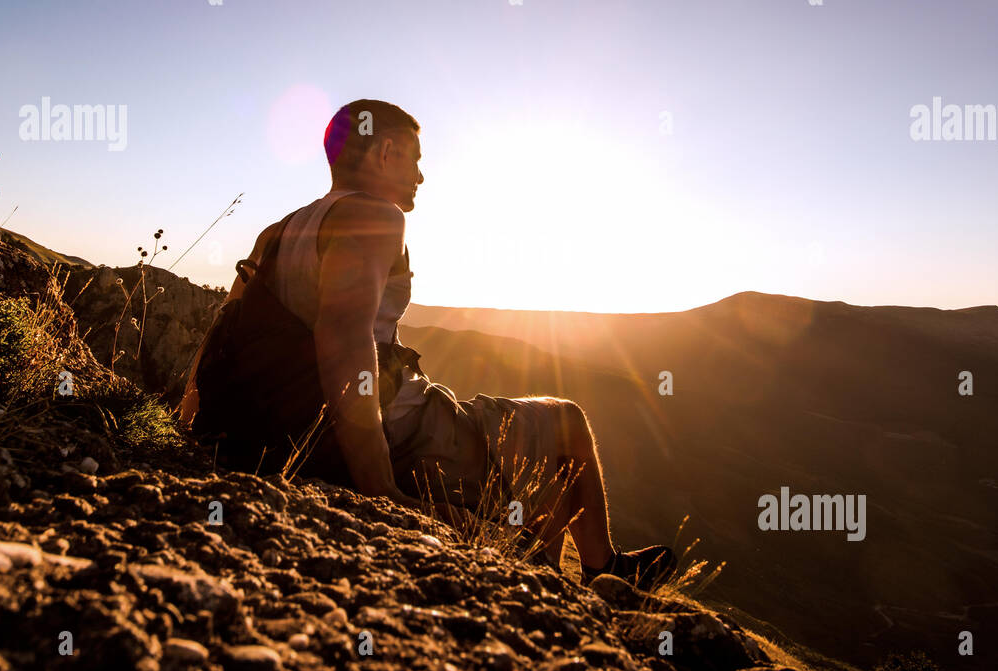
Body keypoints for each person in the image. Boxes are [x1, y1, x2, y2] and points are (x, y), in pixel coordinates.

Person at [180, 100, 675, 590]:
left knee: (529, 464)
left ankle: (561, 573)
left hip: (285, 424)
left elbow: (226, 325)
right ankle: (602, 572)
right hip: (394, 425)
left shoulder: (278, 230)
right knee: (566, 422)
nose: (420, 176)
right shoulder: (375, 217)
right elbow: (345, 338)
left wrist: (189, 419)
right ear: (386, 152)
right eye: (416, 160)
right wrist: (378, 487)